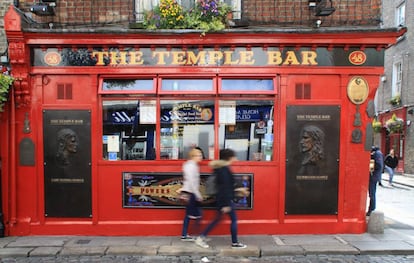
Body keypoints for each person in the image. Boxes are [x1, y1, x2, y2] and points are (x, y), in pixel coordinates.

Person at [195, 148, 248, 249]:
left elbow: (226, 186)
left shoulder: (221, 168)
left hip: (223, 199)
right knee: (232, 220)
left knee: (217, 219)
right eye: (234, 156)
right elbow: (224, 187)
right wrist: (226, 204)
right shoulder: (224, 170)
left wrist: (238, 189)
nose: (235, 159)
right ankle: (234, 243)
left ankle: (202, 237)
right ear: (230, 157)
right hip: (225, 200)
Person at [180, 148, 204, 241]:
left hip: (191, 192)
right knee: (197, 214)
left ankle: (185, 234)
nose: (201, 157)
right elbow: (191, 181)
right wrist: (197, 194)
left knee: (190, 214)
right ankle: (196, 235)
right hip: (191, 193)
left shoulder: (192, 165)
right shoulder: (191, 166)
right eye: (199, 155)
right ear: (193, 156)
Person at [367, 146, 384, 216]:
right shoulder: (378, 153)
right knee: (372, 193)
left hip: (373, 176)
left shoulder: (377, 154)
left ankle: (371, 209)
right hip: (375, 176)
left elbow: (378, 165)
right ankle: (371, 209)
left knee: (372, 193)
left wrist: (370, 163)